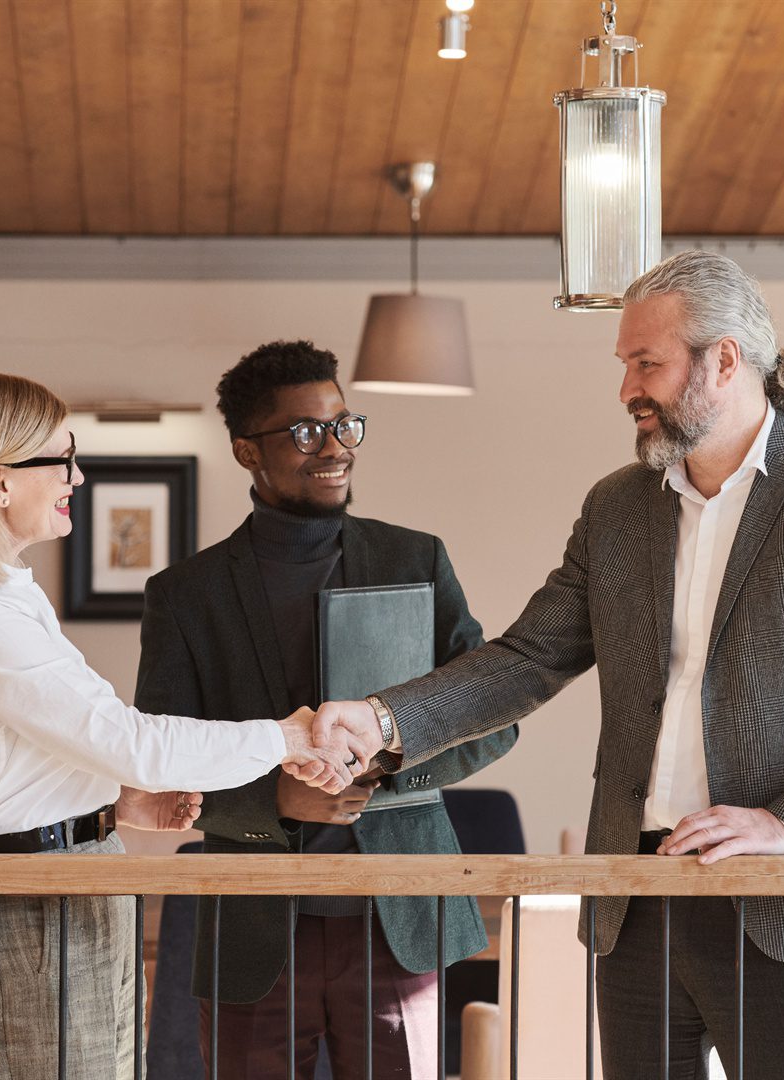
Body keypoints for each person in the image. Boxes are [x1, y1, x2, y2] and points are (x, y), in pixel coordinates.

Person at [314, 252, 784, 1080]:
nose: (626, 389)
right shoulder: (616, 506)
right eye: (624, 364)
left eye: (645, 363)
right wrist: (382, 721)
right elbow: (525, 658)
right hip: (636, 899)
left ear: (725, 358)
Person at [0, 372, 355, 1079]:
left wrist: (106, 805)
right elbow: (131, 741)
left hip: (58, 884)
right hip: (26, 903)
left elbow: (12, 752)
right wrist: (286, 738)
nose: (76, 475)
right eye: (60, 459)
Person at [135, 340, 517, 1079]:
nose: (335, 446)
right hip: (252, 927)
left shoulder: (417, 561)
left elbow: (492, 715)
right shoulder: (186, 595)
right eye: (306, 431)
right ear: (248, 450)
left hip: (395, 921)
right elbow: (162, 763)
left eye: (345, 424)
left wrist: (389, 756)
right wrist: (272, 800)